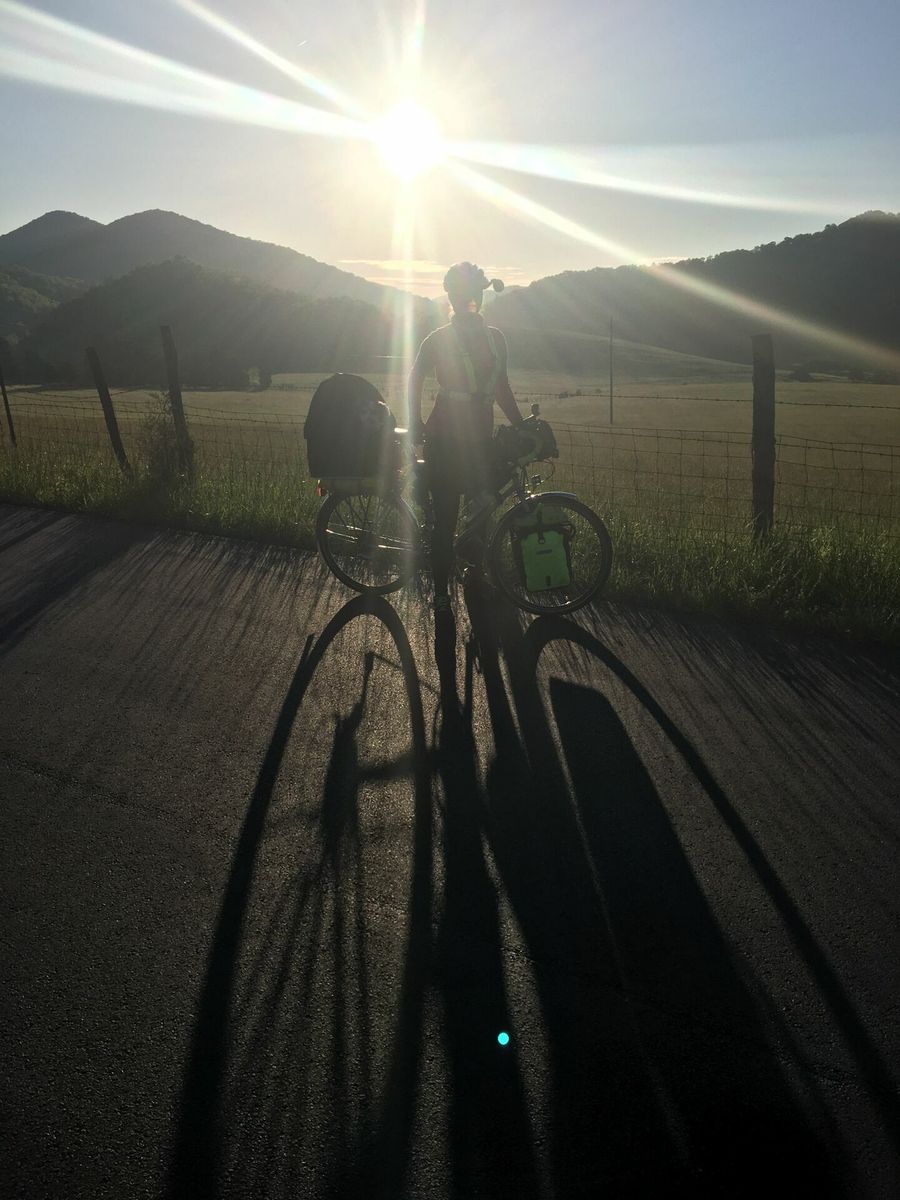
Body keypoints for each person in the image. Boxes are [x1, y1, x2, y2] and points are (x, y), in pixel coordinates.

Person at [407, 261, 525, 615]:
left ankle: (474, 575)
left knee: (481, 514)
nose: (469, 302)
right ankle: (441, 592)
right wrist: (415, 421)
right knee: (446, 520)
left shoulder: (495, 338)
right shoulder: (439, 339)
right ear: (452, 299)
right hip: (445, 438)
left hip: (480, 440)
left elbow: (501, 387)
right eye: (463, 296)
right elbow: (414, 378)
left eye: (474, 295)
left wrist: (521, 425)